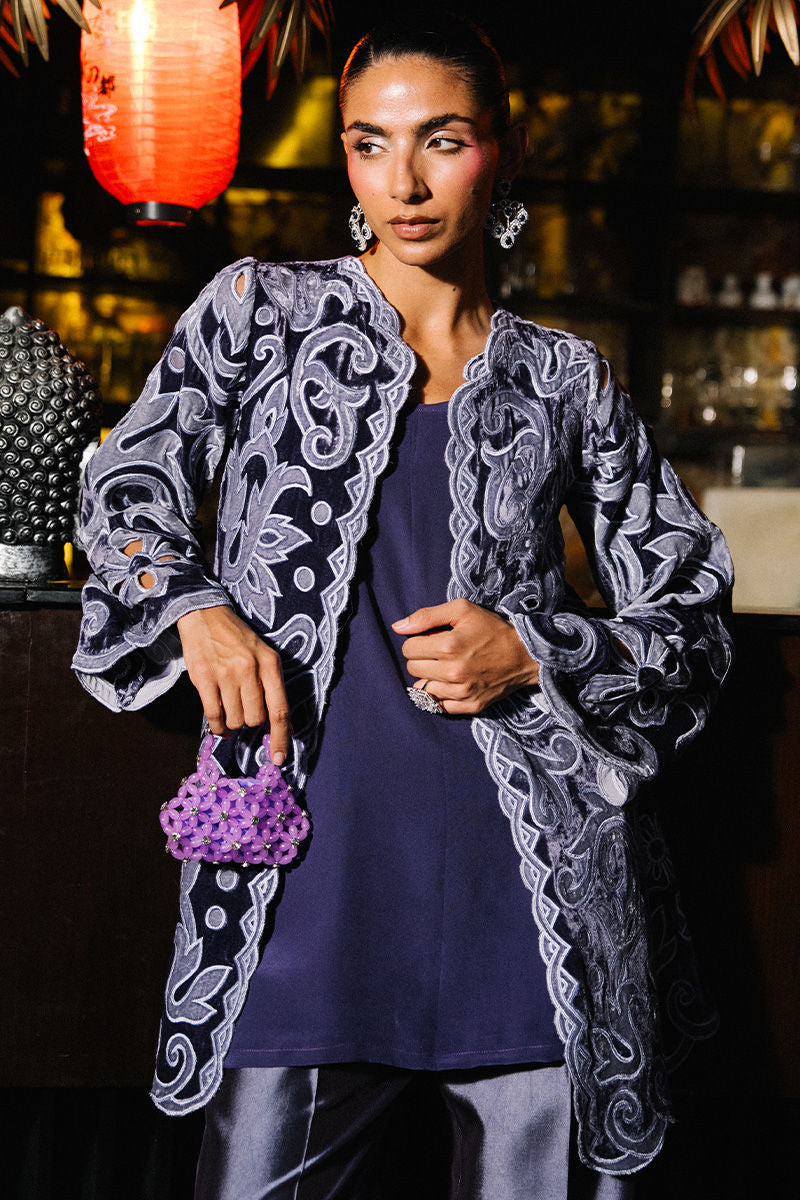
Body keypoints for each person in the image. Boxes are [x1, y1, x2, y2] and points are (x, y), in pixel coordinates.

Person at [72, 13, 734, 1198]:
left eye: (442, 140)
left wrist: (533, 647)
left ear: (501, 150)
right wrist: (191, 606)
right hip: (306, 871)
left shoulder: (562, 377)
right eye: (369, 144)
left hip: (524, 886)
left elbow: (686, 612)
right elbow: (128, 482)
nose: (404, 182)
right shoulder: (258, 312)